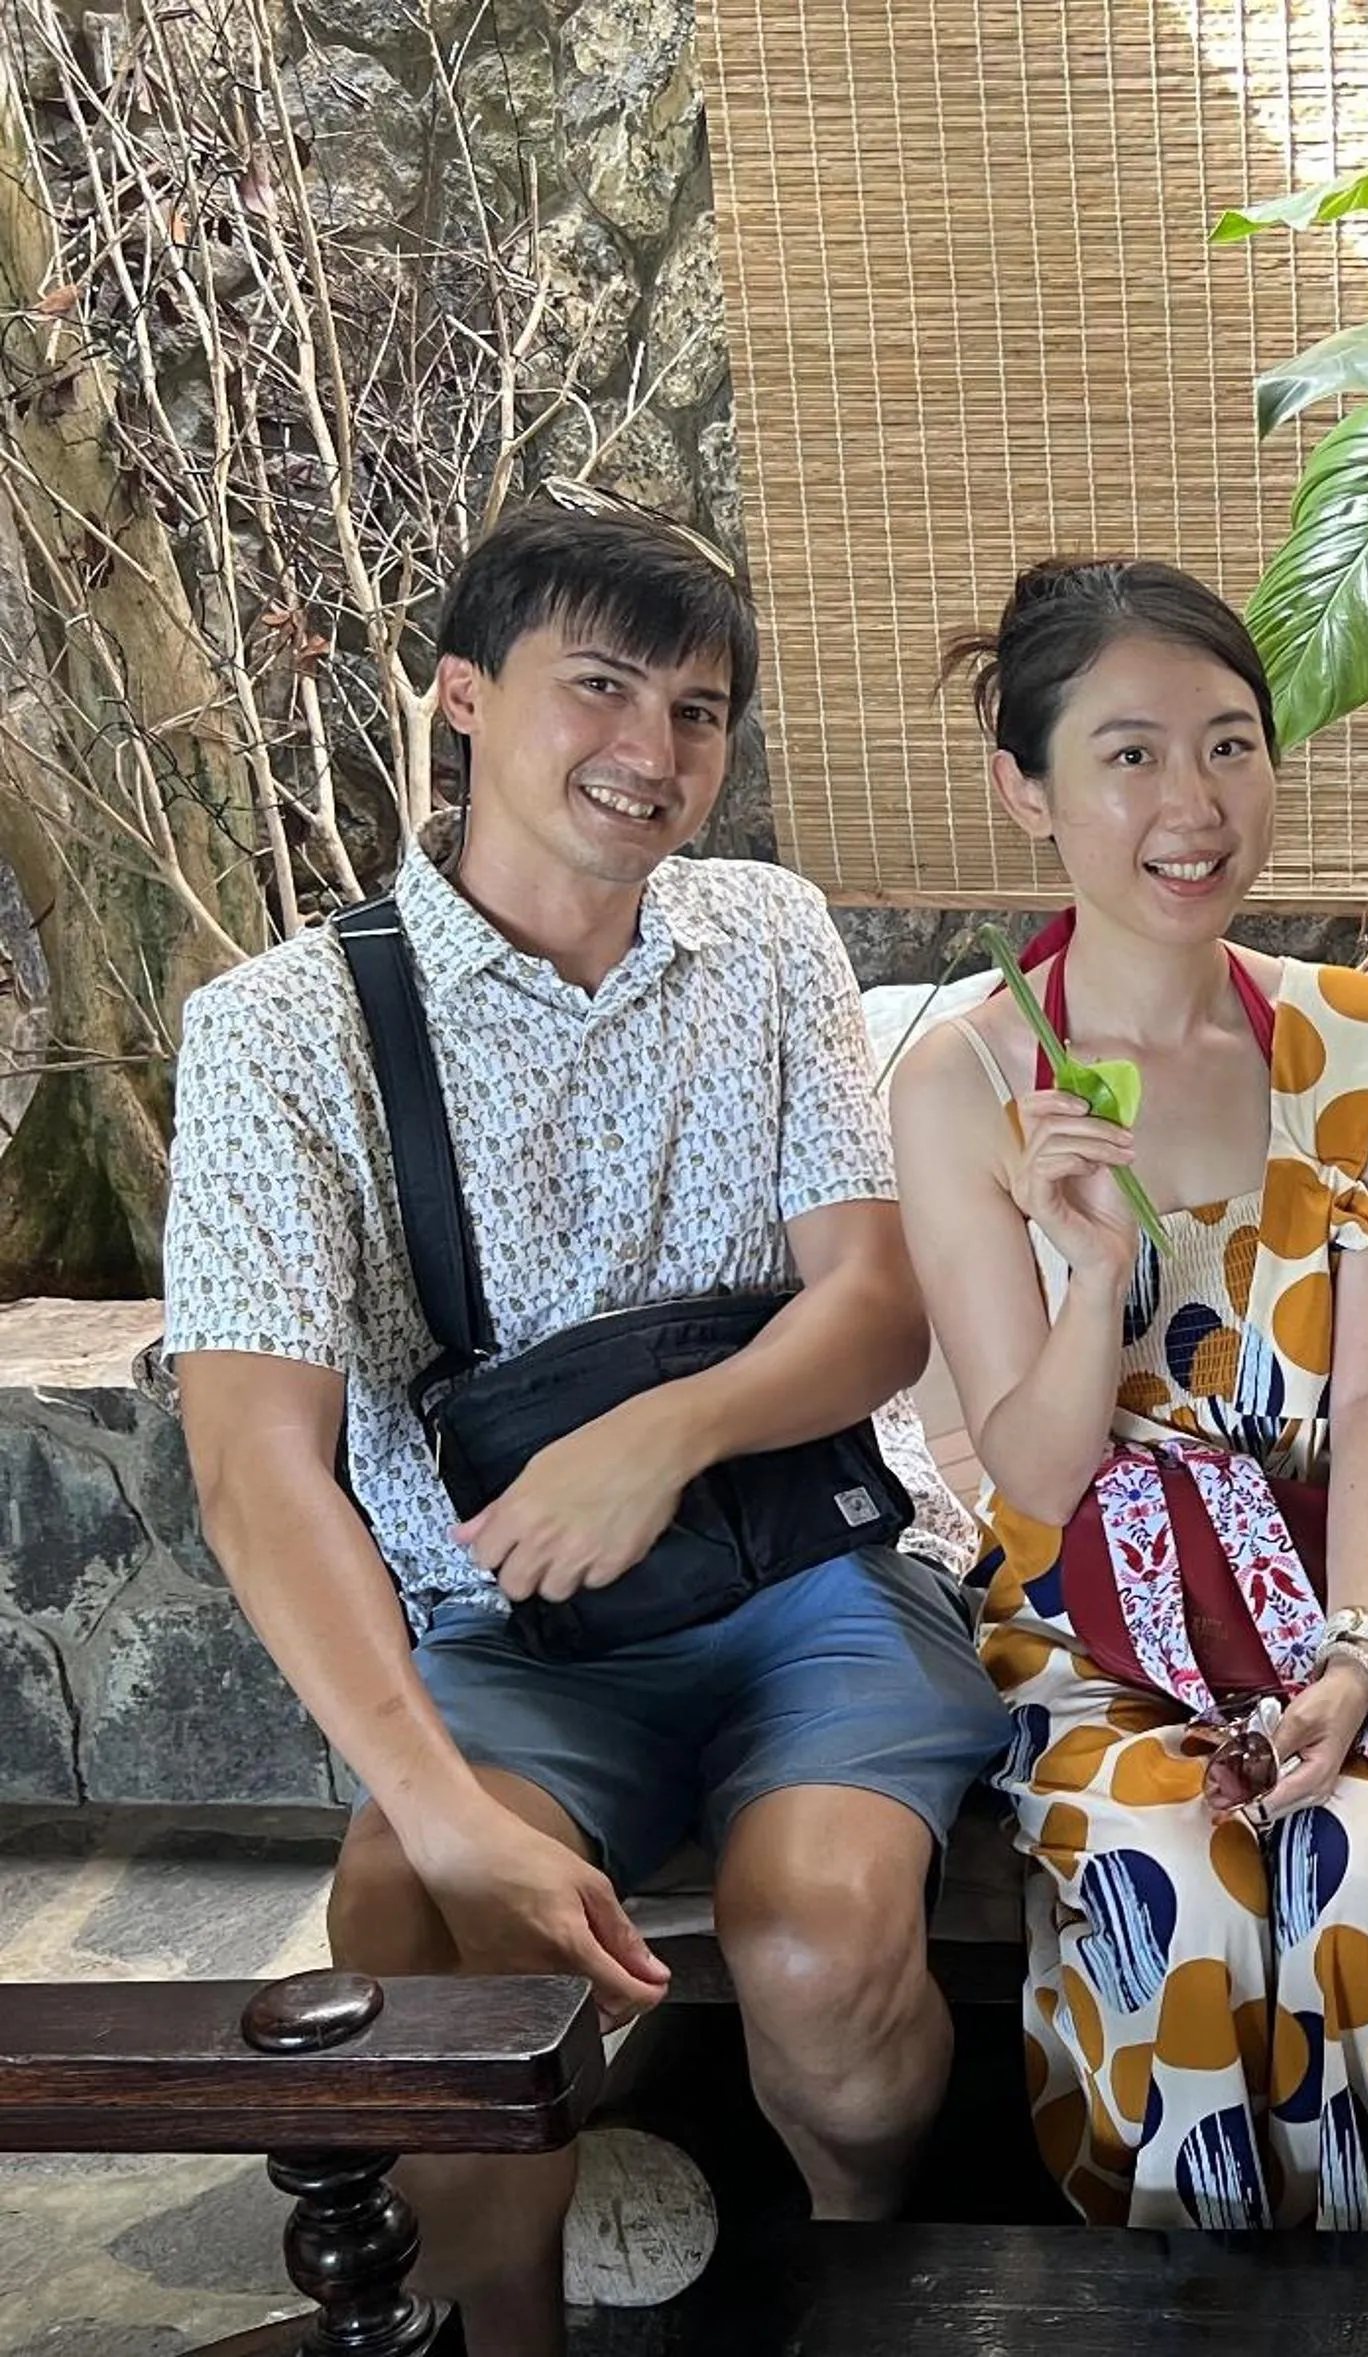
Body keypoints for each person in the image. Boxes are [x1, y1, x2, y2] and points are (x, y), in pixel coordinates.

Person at [163, 498, 1008, 2356]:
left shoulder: (765, 934)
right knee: (416, 1923)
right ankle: (512, 2330)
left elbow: (873, 1306)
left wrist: (663, 1436)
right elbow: (252, 1464)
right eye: (602, 687)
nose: (654, 749)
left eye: (698, 711)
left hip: (813, 1578)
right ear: (463, 696)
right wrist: (442, 1809)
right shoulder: (279, 1033)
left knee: (817, 1942)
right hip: (503, 1628)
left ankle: (862, 2273)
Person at [891, 558, 1368, 2231]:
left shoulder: (1358, 1039)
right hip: (1085, 1625)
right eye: (1128, 755)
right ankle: (1179, 2300)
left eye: (1227, 744)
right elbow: (1032, 1473)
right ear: (1027, 791)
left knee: (1359, 1872)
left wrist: (1355, 1659)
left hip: (1331, 1597)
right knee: (1176, 1888)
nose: (1191, 803)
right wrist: (1089, 1273)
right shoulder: (967, 1078)